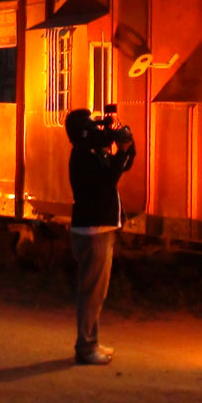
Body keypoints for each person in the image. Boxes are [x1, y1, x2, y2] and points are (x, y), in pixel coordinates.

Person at [64, 108, 136, 365]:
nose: (97, 129)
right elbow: (109, 179)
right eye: (91, 126)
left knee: (96, 291)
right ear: (82, 131)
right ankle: (85, 347)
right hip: (92, 231)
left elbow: (121, 167)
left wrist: (126, 146)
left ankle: (90, 342)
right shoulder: (84, 155)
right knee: (91, 292)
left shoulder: (90, 152)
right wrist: (120, 148)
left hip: (97, 229)